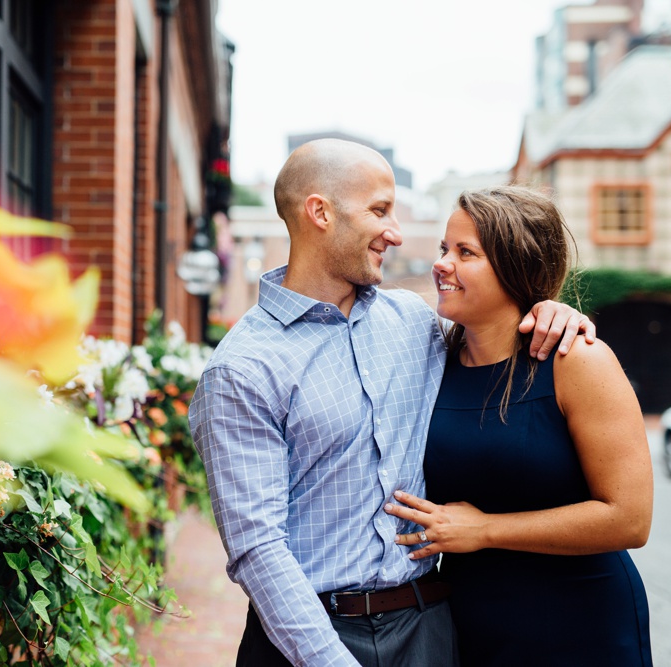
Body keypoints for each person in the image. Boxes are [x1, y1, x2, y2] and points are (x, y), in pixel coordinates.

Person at [188, 140, 595, 667]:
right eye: (380, 210)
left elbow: (500, 324)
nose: (396, 232)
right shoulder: (242, 369)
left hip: (428, 628)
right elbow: (258, 548)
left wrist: (553, 313)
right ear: (320, 213)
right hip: (306, 638)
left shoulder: (417, 323)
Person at [385, 186, 653, 665]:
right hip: (469, 621)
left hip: (580, 621)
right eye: (446, 248)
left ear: (517, 267)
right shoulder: (432, 360)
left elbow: (628, 518)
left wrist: (487, 530)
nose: (442, 263)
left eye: (466, 252)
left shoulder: (576, 360)